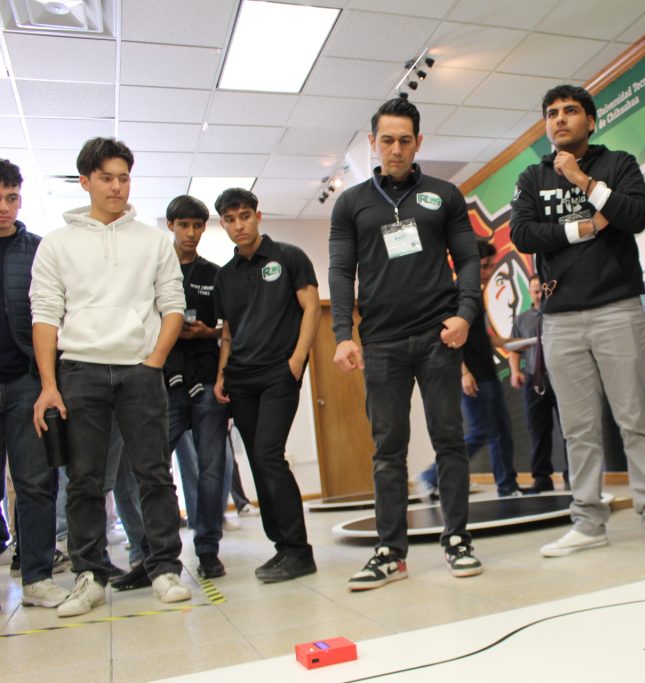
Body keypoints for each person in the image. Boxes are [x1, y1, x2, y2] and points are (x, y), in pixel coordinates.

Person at [510, 85, 645, 557]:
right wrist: (584, 227)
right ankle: (587, 523)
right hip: (560, 319)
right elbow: (523, 233)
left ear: (590, 120)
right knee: (578, 429)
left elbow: (636, 215)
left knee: (635, 420)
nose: (560, 119)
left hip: (617, 308)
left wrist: (583, 181)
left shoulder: (617, 164)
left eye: (570, 111)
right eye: (552, 113)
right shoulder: (532, 176)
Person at [30, 137, 192, 617]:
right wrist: (49, 385)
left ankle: (163, 569)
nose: (117, 187)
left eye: (124, 178)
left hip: (140, 370)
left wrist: (154, 360)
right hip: (80, 370)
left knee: (154, 474)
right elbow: (45, 315)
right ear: (85, 181)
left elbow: (173, 305)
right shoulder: (57, 244)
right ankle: (90, 575)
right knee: (84, 480)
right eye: (106, 178)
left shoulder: (153, 241)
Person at [330, 97, 483, 591]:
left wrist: (464, 315)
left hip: (439, 337)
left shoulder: (444, 194)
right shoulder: (351, 203)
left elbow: (468, 260)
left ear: (419, 142)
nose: (395, 149)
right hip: (381, 343)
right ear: (372, 143)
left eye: (404, 140)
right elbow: (340, 271)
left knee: (449, 441)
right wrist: (342, 334)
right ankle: (390, 553)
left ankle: (457, 539)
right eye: (386, 140)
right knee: (387, 450)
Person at [213, 188, 319, 583]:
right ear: (223, 224)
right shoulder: (225, 275)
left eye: (244, 216)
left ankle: (300, 551)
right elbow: (229, 331)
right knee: (259, 463)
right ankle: (282, 548)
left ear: (258, 216)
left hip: (279, 374)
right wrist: (222, 375)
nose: (238, 225)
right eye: (230, 219)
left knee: (269, 455)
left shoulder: (289, 257)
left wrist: (297, 360)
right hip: (241, 379)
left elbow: (311, 307)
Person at [0, 158, 70, 609]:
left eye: (11, 198)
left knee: (36, 483)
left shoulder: (38, 250)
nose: (4, 208)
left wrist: (49, 381)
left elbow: (56, 313)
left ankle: (38, 577)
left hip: (27, 383)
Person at [418, 240, 521, 499]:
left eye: (491, 266)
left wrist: (520, 342)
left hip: (488, 374)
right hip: (473, 376)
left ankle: (507, 487)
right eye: (484, 266)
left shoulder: (476, 295)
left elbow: (484, 338)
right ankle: (431, 477)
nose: (488, 272)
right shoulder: (455, 296)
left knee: (501, 432)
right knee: (480, 431)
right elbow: (449, 338)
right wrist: (464, 373)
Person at [161, 195, 228, 580]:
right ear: (170, 225)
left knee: (211, 468)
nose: (190, 233)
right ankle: (158, 550)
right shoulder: (155, 270)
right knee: (154, 466)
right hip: (164, 382)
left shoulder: (215, 274)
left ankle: (207, 549)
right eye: (184, 225)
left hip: (206, 379)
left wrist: (207, 332)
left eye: (198, 226)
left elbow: (228, 329)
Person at [509, 274, 563, 493]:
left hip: (561, 375)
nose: (538, 294)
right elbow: (514, 350)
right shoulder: (521, 320)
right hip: (535, 379)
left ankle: (574, 475)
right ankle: (542, 478)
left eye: (541, 290)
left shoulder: (558, 312)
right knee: (538, 431)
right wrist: (515, 372)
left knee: (569, 428)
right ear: (529, 292)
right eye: (535, 291)